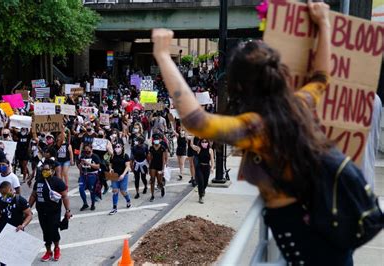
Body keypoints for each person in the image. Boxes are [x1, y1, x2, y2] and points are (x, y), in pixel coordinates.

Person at [151, 1, 351, 264]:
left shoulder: (257, 127)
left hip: (304, 244)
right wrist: (323, 23)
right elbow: (322, 77)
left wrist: (164, 56)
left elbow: (198, 122)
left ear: (240, 87)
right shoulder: (299, 104)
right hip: (334, 233)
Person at [29, 160, 71, 262]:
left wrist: (68, 210)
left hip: (54, 212)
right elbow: (34, 195)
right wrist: (27, 207)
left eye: (47, 170)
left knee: (53, 230)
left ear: (52, 171)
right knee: (46, 232)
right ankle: (48, 251)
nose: (45, 172)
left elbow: (64, 196)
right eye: (43, 170)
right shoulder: (38, 181)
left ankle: (56, 248)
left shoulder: (57, 181)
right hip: (41, 212)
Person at [108, 143, 131, 215]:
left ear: (122, 147)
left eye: (118, 146)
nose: (117, 148)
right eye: (115, 147)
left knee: (123, 191)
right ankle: (114, 208)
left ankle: (128, 200)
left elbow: (127, 166)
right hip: (114, 175)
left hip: (123, 175)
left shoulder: (125, 156)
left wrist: (123, 175)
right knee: (115, 191)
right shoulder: (112, 156)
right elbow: (110, 164)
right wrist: (110, 169)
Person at [189, 139, 214, 203]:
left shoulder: (210, 150)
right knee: (201, 182)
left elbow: (212, 160)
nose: (204, 143)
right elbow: (191, 145)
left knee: (205, 182)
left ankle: (203, 190)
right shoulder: (198, 149)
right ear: (200, 142)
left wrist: (212, 167)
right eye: (203, 142)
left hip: (207, 167)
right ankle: (201, 196)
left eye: (206, 142)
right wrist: (192, 138)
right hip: (199, 167)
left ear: (208, 143)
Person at [77, 144, 101, 211]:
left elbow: (98, 166)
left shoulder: (95, 156)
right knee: (81, 189)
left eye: (88, 150)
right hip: (83, 175)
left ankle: (93, 204)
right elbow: (79, 168)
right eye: (85, 150)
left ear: (91, 149)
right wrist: (81, 164)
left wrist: (89, 164)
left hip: (92, 175)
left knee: (92, 190)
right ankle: (85, 203)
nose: (87, 151)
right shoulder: (83, 156)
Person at [147, 134, 167, 202]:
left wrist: (163, 169)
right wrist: (149, 167)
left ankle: (162, 188)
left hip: (159, 165)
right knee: (152, 180)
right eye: (155, 140)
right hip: (153, 165)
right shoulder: (151, 148)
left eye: (157, 139)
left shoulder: (162, 148)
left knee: (159, 181)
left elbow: (163, 159)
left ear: (160, 140)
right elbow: (150, 158)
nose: (156, 141)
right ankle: (152, 195)